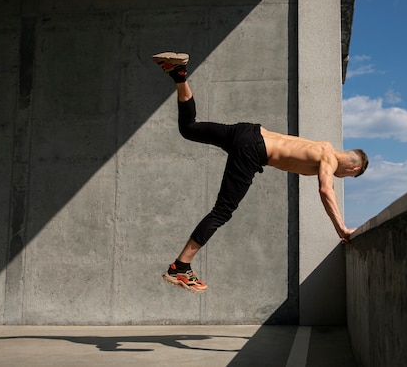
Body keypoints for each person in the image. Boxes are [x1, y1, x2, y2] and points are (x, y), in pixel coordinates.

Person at [152, 52, 368, 294]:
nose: (343, 177)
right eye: (349, 176)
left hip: (248, 132)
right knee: (222, 211)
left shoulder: (324, 145)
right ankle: (181, 267)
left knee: (189, 128)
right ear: (354, 168)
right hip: (253, 149)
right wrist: (341, 228)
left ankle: (179, 74)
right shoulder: (328, 158)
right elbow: (325, 189)